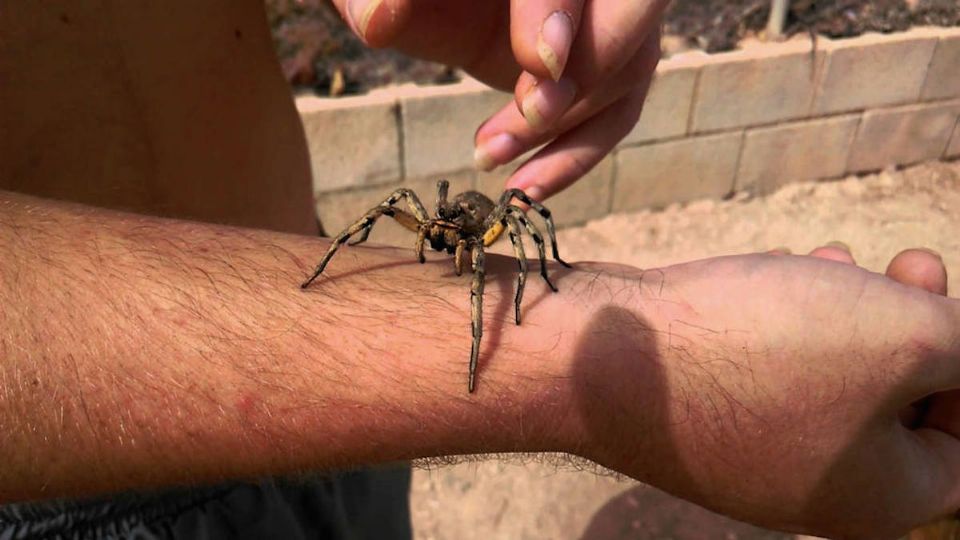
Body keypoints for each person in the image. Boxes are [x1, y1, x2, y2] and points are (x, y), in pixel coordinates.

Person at [1, 1, 959, 539]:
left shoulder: (491, 219)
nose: (460, 239)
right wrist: (604, 375)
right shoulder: (443, 230)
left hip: (341, 439)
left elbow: (524, 226)